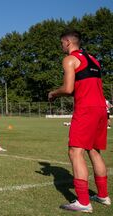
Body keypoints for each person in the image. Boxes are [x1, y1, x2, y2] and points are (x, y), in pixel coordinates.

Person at [48, 29, 110, 213]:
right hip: (101, 109)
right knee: (94, 151)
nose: (61, 47)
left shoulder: (69, 59)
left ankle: (83, 202)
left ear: (67, 42)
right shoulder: (94, 59)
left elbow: (68, 88)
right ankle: (103, 195)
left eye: (61, 43)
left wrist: (53, 93)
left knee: (75, 151)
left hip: (86, 110)